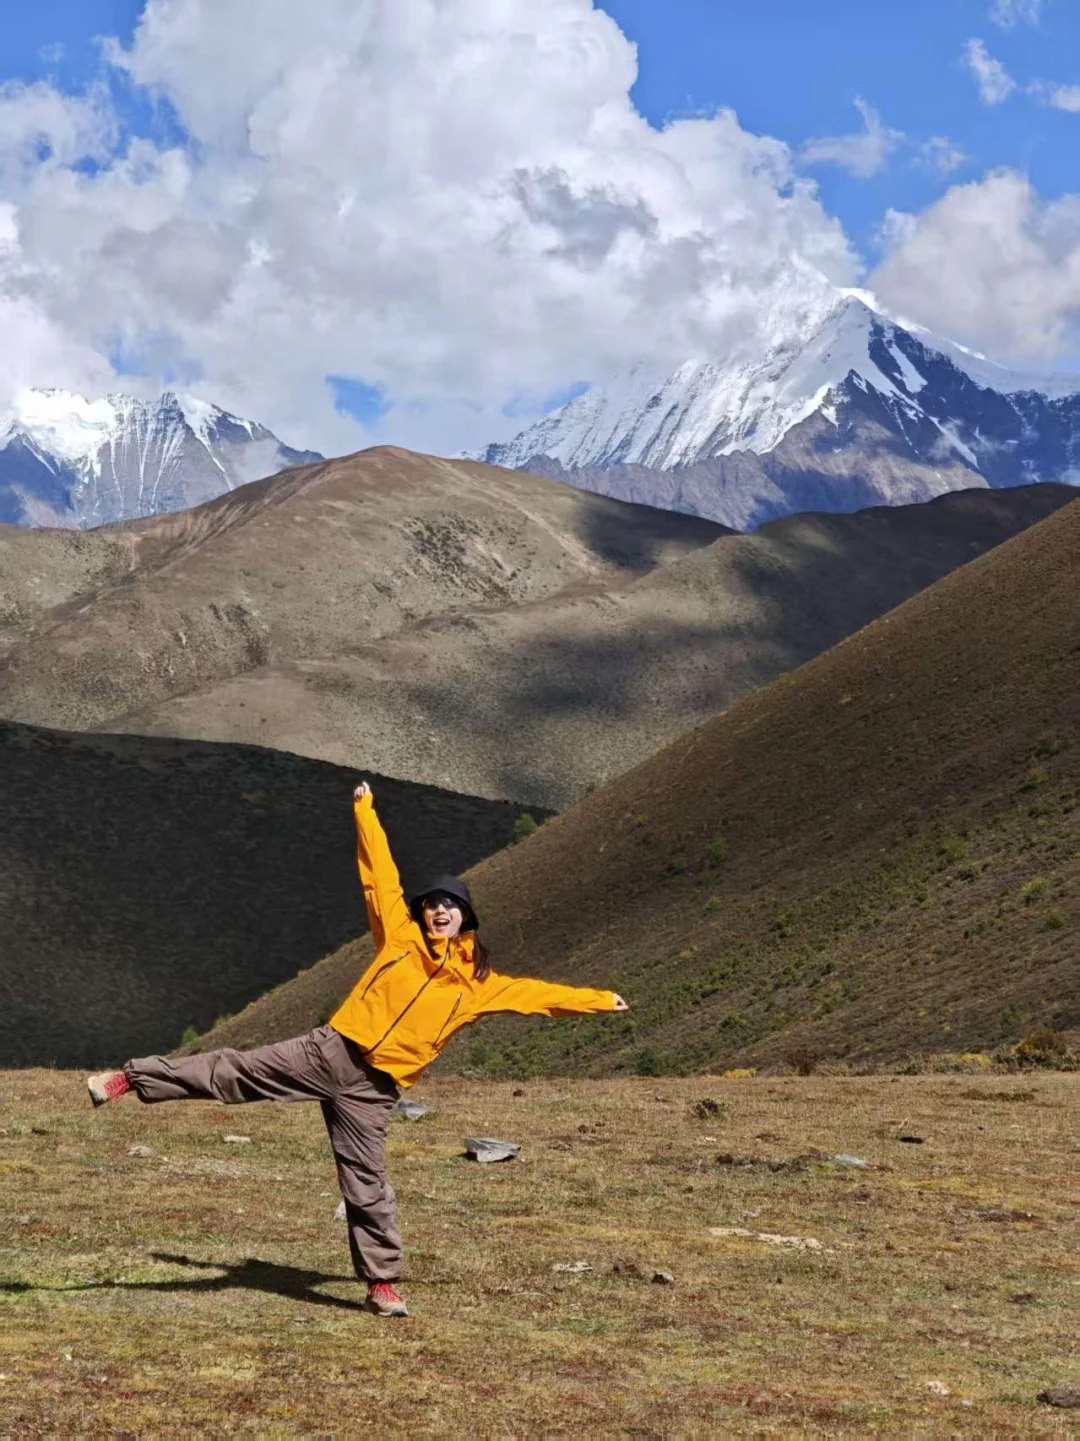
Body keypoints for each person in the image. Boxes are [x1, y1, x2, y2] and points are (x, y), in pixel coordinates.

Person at [87, 781, 628, 1317]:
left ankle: (382, 1284)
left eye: (450, 906)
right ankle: (131, 1079)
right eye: (433, 905)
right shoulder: (399, 937)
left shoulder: (480, 985)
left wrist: (601, 999)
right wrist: (365, 811)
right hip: (333, 1050)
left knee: (366, 1184)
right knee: (235, 1071)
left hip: (375, 1090)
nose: (440, 912)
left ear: (466, 918)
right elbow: (380, 878)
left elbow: (541, 997)